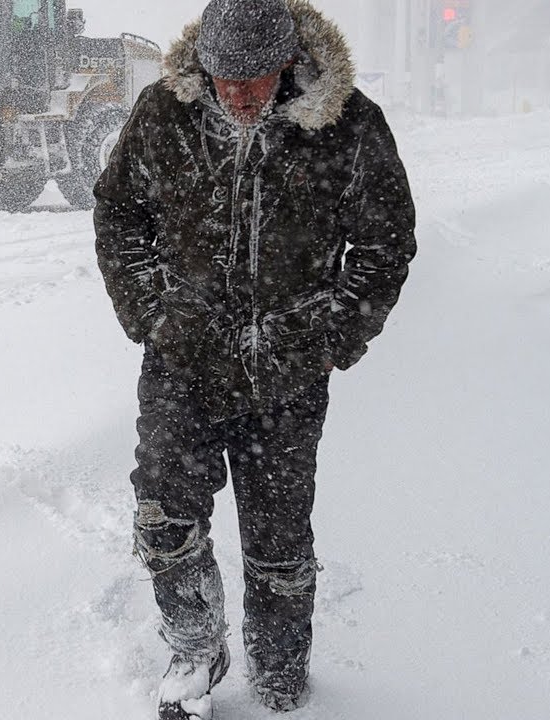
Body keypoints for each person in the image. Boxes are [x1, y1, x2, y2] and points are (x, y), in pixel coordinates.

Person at [92, 0, 417, 718]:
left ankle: (278, 667)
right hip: (185, 363)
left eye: (253, 79)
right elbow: (118, 213)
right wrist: (151, 310)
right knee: (164, 516)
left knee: (276, 544)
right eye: (221, 77)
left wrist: (331, 334)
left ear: (288, 63)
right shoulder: (163, 115)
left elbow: (386, 242)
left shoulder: (348, 128)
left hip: (288, 376)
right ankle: (196, 648)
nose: (235, 95)